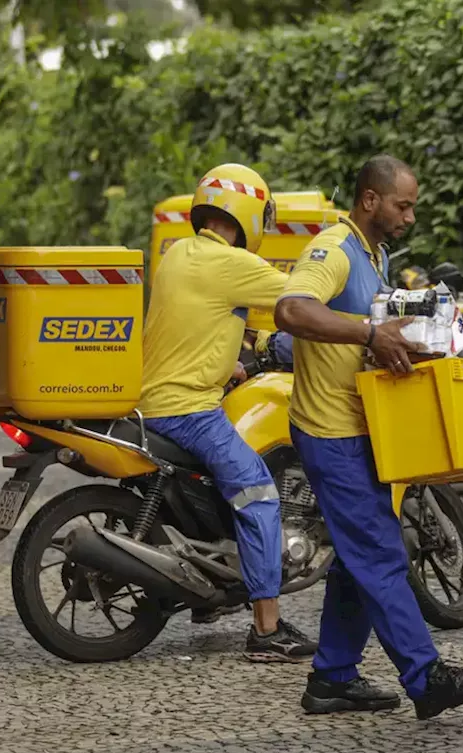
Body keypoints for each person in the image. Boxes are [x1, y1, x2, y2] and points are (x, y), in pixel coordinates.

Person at [274, 155, 463, 719]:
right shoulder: (335, 250)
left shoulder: (377, 256)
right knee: (379, 551)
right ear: (370, 200)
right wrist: (371, 332)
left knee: (357, 558)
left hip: (361, 427)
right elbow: (291, 309)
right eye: (404, 204)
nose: (411, 215)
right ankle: (426, 679)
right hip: (329, 431)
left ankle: (331, 678)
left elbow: (369, 335)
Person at [138, 162, 317, 663]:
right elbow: (303, 299)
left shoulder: (178, 255)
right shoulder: (230, 264)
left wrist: (234, 363)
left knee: (226, 487)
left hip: (155, 400)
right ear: (248, 212)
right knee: (259, 495)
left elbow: (200, 323)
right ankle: (267, 629)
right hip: (188, 410)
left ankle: (210, 594)